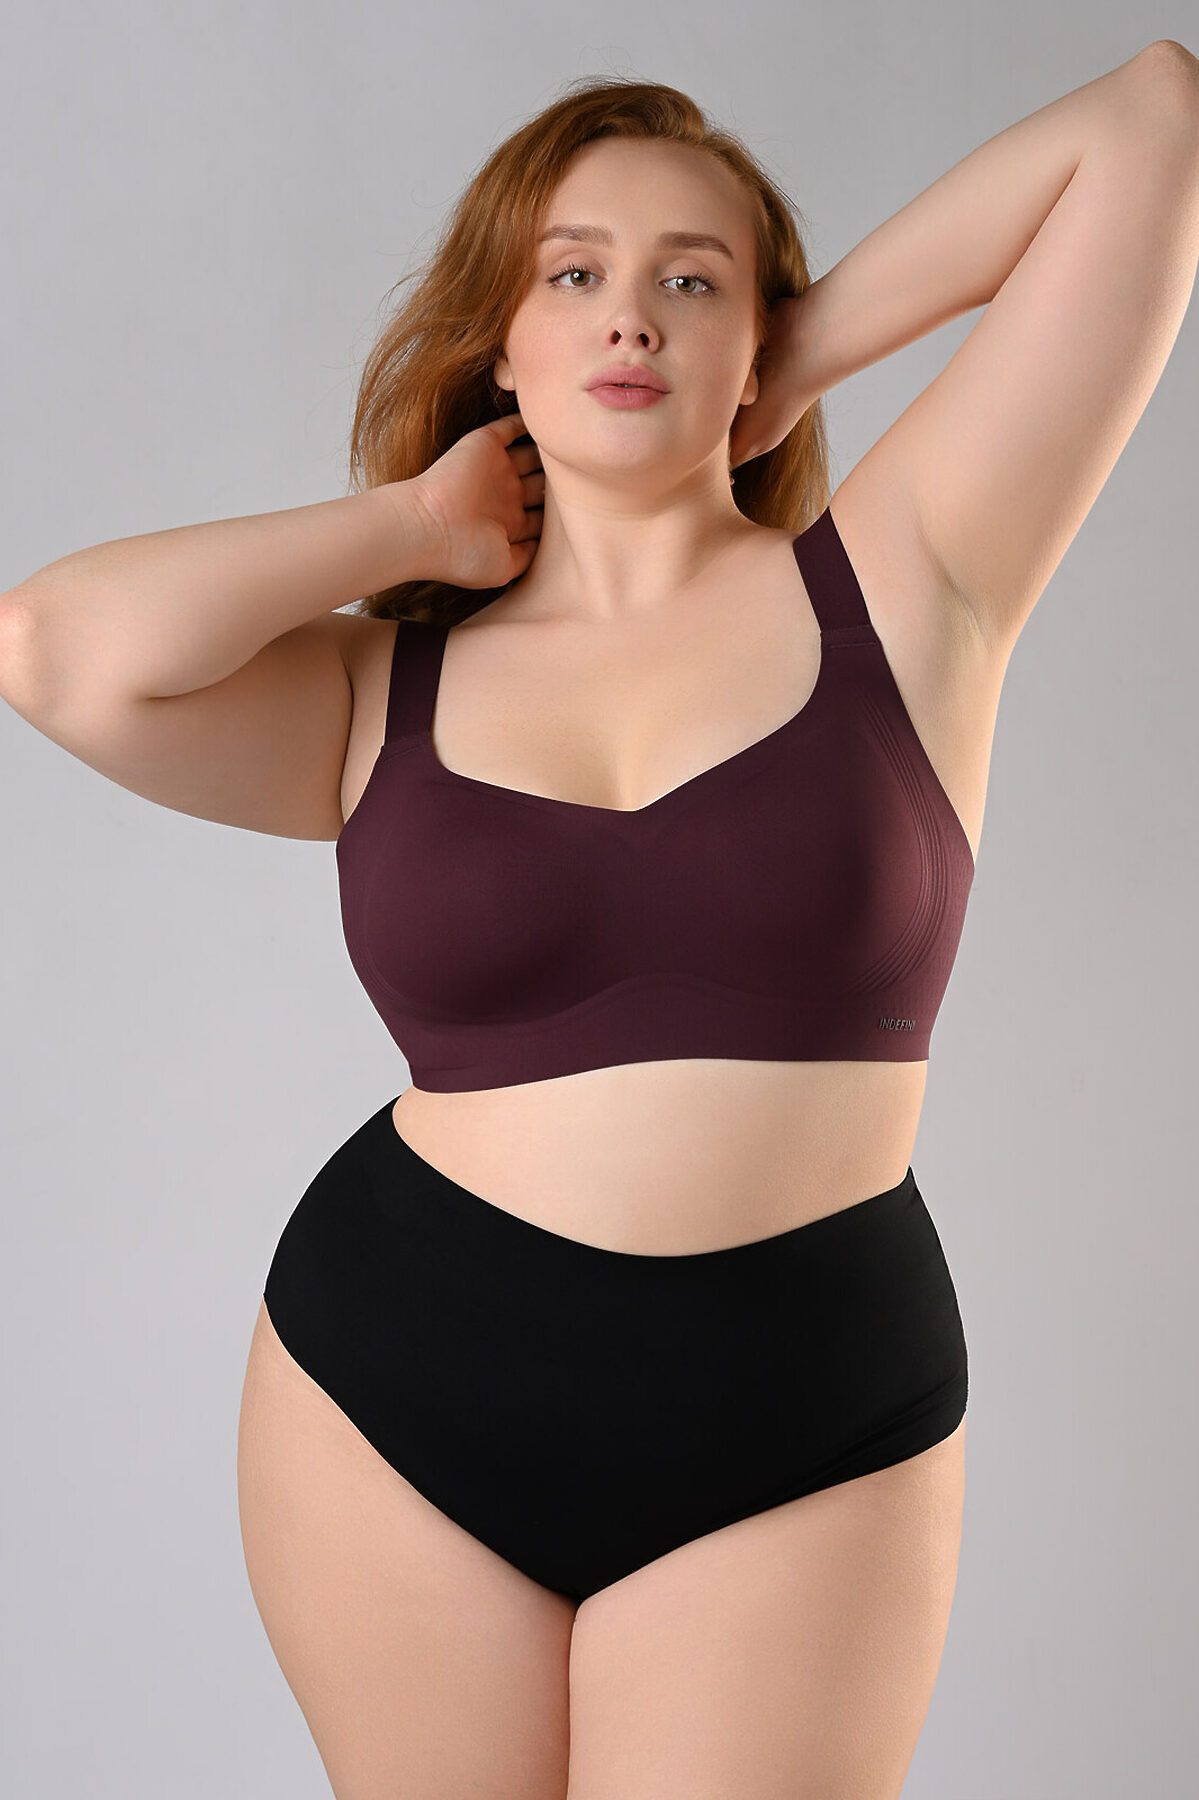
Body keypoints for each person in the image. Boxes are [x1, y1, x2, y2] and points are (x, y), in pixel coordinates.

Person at [3, 44, 1196, 1800]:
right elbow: (52, 654)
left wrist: (791, 359)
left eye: (689, 282)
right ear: (503, 339)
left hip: (802, 1413)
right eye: (572, 276)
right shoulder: (375, 691)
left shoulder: (908, 575)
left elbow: (1151, 123)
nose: (629, 314)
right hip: (395, 1392)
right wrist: (409, 524)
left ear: (754, 337)